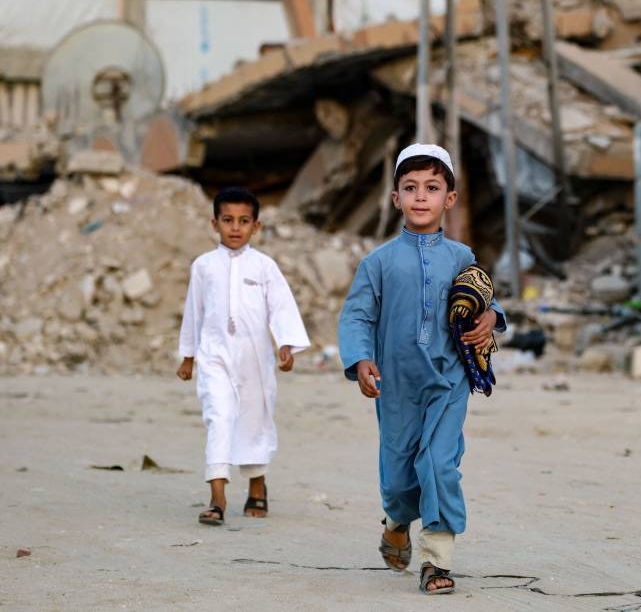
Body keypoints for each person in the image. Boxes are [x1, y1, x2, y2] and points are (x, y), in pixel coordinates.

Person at [338, 144, 506, 595]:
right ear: (396, 198)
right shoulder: (377, 263)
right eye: (410, 188)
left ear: (449, 198)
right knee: (397, 477)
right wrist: (359, 358)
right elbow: (356, 315)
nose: (420, 196)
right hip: (396, 383)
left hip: (448, 379)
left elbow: (483, 296)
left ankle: (436, 560)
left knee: (439, 464)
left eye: (432, 188)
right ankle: (396, 520)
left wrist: (492, 318)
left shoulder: (460, 255)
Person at [177, 187, 310, 526]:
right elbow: (194, 312)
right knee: (218, 416)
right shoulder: (203, 266)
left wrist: (286, 344)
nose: (235, 228)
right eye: (227, 220)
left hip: (255, 358)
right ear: (214, 223)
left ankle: (257, 484)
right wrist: (188, 356)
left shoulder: (264, 267)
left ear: (256, 226)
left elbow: (281, 307)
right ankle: (217, 498)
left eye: (243, 221)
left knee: (254, 419)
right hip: (214, 354)